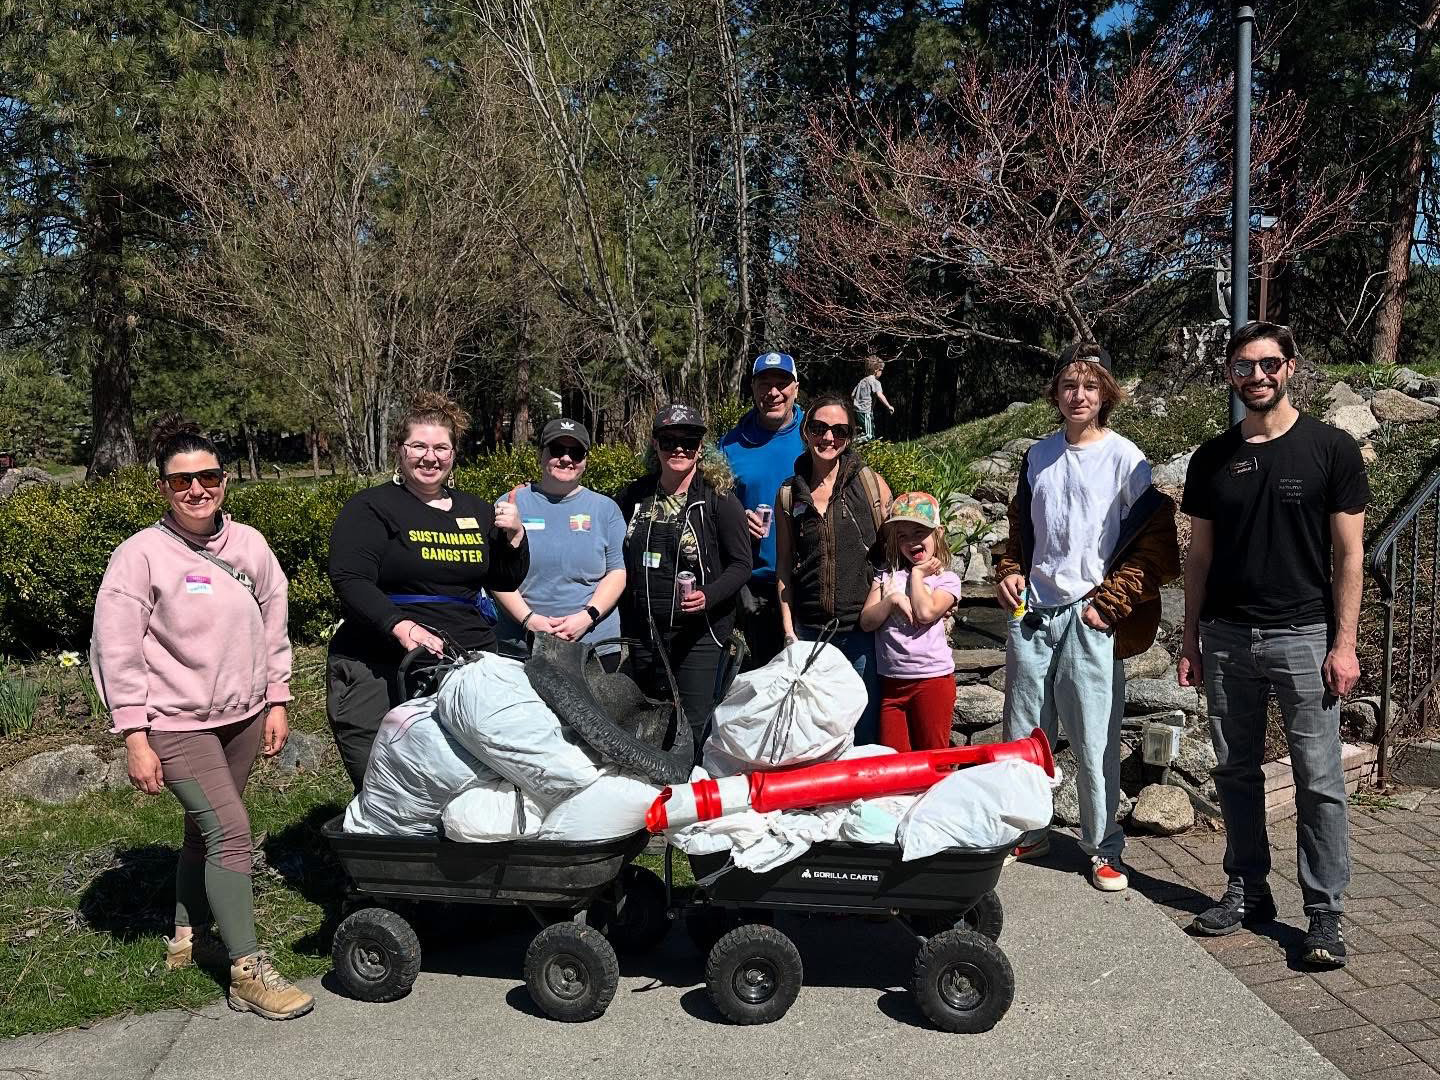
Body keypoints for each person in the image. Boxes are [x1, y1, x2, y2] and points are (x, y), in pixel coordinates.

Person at [90, 418, 312, 1021]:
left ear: (224, 480)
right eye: (181, 480)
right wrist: (135, 736)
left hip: (242, 717)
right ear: (162, 487)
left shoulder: (251, 546)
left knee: (205, 831)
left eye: (208, 476)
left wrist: (278, 698)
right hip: (174, 722)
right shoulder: (139, 556)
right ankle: (247, 969)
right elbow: (117, 649)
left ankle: (187, 935)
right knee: (233, 832)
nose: (197, 490)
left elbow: (274, 624)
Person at [1178, 321, 1367, 968]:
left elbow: (1349, 555)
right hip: (1226, 639)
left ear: (1289, 368)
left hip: (1305, 636)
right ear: (1229, 374)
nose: (1256, 376)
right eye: (1242, 367)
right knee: (1234, 771)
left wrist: (1344, 643)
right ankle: (1248, 889)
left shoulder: (1330, 450)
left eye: (1267, 364)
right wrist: (1190, 637)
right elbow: (1197, 557)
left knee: (1319, 780)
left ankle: (1324, 915)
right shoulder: (1211, 459)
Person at [996, 342, 1180, 893]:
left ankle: (1102, 849)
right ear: (1055, 394)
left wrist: (1111, 602)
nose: (1079, 395)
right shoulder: (1038, 456)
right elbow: (1021, 535)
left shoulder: (1127, 457)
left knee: (1095, 737)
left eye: (1090, 386)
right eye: (1069, 386)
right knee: (1023, 733)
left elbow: (1155, 544)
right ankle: (1028, 831)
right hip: (1034, 612)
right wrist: (1009, 570)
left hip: (1090, 615)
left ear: (1106, 394)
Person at [326, 392, 528, 793]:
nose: (429, 457)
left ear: (454, 454)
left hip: (467, 658)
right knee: (382, 776)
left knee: (470, 773)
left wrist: (515, 537)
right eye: (418, 446)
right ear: (400, 451)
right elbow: (349, 577)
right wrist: (399, 626)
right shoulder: (371, 507)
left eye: (441, 447)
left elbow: (504, 580)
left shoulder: (477, 510)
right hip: (382, 659)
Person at [615, 404, 752, 751]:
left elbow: (741, 564)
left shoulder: (718, 499)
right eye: (669, 440)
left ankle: (688, 796)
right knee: (647, 718)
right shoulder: (634, 496)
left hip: (699, 633)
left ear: (700, 447)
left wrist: (709, 594)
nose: (678, 448)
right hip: (645, 632)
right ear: (655, 444)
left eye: (688, 441)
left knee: (690, 724)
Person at [775, 392, 893, 744]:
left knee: (863, 734)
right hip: (811, 635)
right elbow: (784, 566)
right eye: (819, 428)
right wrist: (788, 630)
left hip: (862, 636)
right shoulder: (788, 494)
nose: (828, 438)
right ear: (805, 432)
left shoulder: (869, 484)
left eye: (839, 431)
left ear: (850, 437)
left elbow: (896, 551)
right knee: (815, 736)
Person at [491, 418, 627, 670]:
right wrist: (529, 620)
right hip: (522, 645)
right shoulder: (511, 503)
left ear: (585, 459)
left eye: (576, 452)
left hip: (593, 645)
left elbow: (617, 572)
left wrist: (587, 617)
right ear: (541, 454)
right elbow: (495, 575)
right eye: (557, 450)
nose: (566, 458)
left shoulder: (605, 508)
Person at [718, 350, 808, 669]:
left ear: (795, 387)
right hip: (755, 579)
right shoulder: (730, 445)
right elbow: (714, 505)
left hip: (809, 577)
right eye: (764, 383)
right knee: (768, 671)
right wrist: (736, 517)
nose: (773, 392)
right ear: (753, 389)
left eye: (781, 383)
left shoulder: (815, 436)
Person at [859, 492, 963, 753]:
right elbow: (867, 622)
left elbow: (926, 612)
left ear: (937, 533)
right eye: (902, 535)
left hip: (931, 681)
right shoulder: (885, 576)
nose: (911, 541)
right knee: (895, 760)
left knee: (934, 756)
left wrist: (917, 575)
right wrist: (891, 600)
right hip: (892, 684)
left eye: (919, 532)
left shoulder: (946, 580)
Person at [852, 356, 894, 443]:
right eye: (881, 370)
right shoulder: (875, 382)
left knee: (866, 431)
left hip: (856, 411)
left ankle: (866, 450)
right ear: (876, 370)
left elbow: (852, 395)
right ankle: (851, 442)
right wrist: (889, 406)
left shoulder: (862, 381)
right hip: (865, 411)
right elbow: (880, 395)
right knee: (869, 435)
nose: (881, 372)